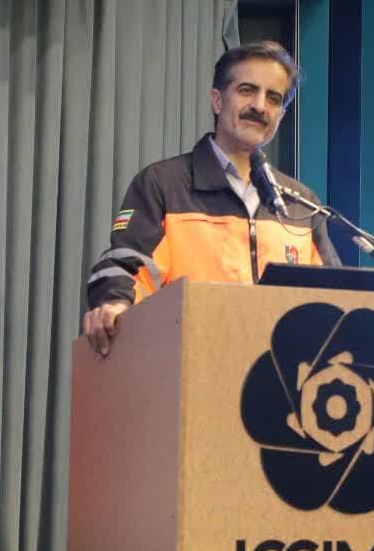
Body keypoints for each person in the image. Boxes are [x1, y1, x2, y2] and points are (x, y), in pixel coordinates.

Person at [83, 41, 339, 355]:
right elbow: (126, 265)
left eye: (274, 98)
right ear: (217, 100)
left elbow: (333, 297)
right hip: (187, 363)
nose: (260, 106)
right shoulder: (164, 184)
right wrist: (114, 303)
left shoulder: (300, 203)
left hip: (279, 373)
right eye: (247, 90)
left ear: (281, 115)